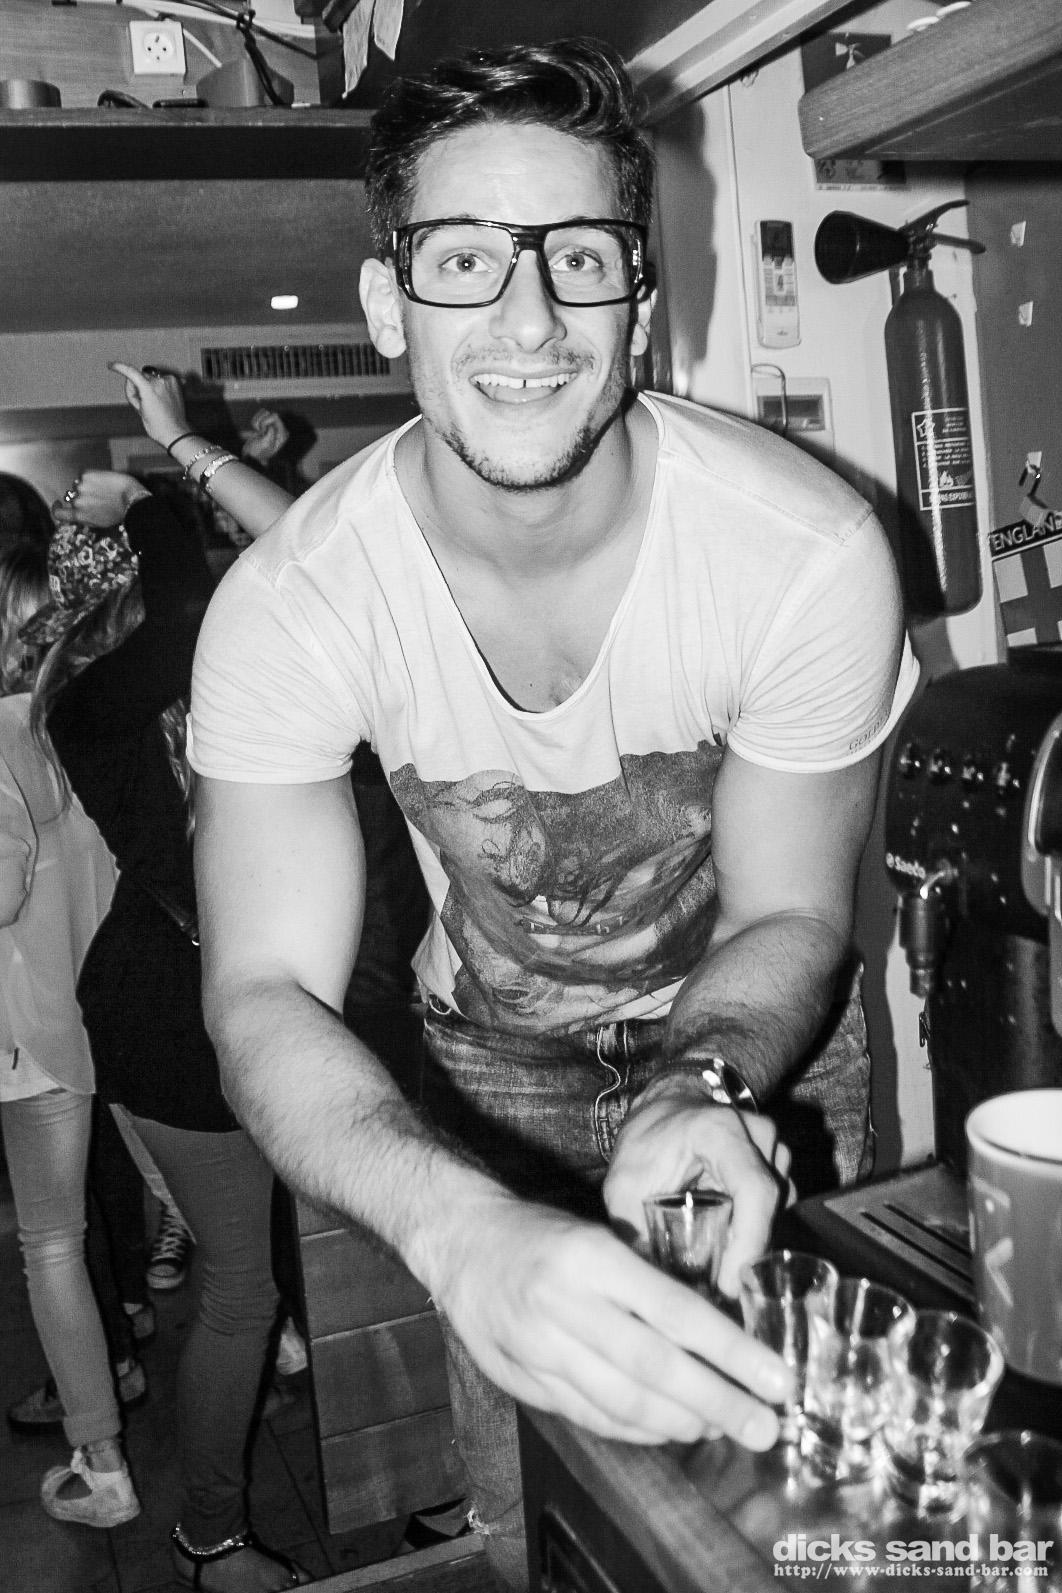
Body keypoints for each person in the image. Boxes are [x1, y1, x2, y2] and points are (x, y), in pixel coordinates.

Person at [188, 37, 919, 1592]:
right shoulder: (292, 604)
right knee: (537, 1514)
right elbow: (259, 989)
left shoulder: (801, 555)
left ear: (638, 298)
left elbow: (792, 906)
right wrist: (459, 1229)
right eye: (463, 259)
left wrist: (698, 1081)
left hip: (757, 1052)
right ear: (387, 301)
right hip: (491, 1081)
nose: (526, 321)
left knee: (796, 1492)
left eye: (577, 256)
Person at [26, 365, 308, 1590]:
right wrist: (152, 481)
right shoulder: (90, 705)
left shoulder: (197, 689)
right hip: (165, 1011)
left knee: (265, 1270)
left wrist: (225, 474)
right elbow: (196, 595)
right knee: (240, 1286)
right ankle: (209, 1535)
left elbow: (275, 581)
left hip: (227, 987)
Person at [0, 539, 140, 1529]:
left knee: (52, 1244)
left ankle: (105, 1465)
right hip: (116, 1006)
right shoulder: (92, 720)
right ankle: (286, 1343)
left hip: (32, 1029)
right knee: (174, 1190)